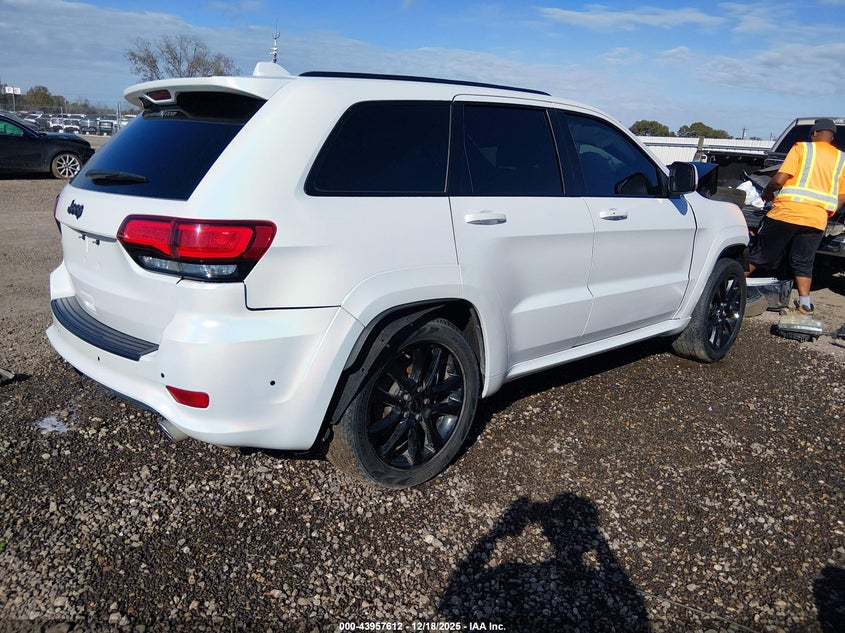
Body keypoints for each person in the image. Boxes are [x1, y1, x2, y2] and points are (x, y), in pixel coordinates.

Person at [747, 118, 845, 315]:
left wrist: (767, 192)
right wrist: (828, 211)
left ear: (815, 133)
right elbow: (841, 196)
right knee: (803, 262)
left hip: (787, 213)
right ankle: (805, 305)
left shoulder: (803, 148)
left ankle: (728, 285)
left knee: (760, 255)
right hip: (816, 218)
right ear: (832, 137)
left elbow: (780, 179)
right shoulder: (842, 159)